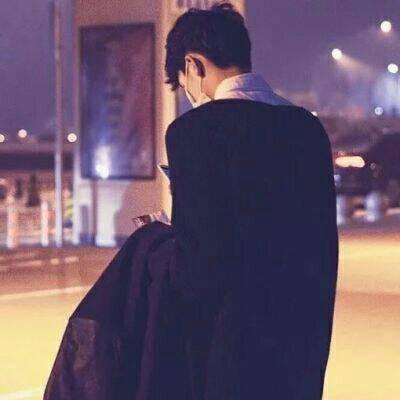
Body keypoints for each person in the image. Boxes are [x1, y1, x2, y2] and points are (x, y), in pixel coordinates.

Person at [164, 2, 338, 400]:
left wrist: (159, 244)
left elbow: (199, 264)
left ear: (193, 65)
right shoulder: (308, 129)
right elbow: (323, 245)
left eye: (183, 81)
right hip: (302, 342)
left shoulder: (194, 133)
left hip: (230, 353)